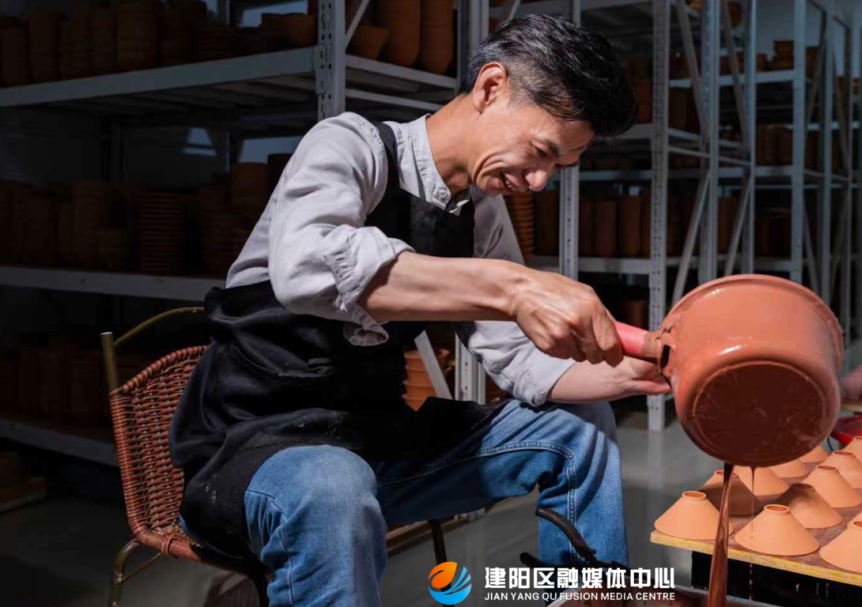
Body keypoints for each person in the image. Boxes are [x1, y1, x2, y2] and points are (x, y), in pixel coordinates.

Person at [170, 14, 668, 607]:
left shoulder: (481, 216)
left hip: (372, 445)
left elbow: (518, 358)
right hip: (253, 458)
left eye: (557, 168)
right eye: (541, 152)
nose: (539, 181)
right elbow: (305, 264)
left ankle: (589, 598)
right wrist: (513, 286)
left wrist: (641, 372)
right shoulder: (350, 146)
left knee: (579, 428)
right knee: (333, 483)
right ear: (491, 87)